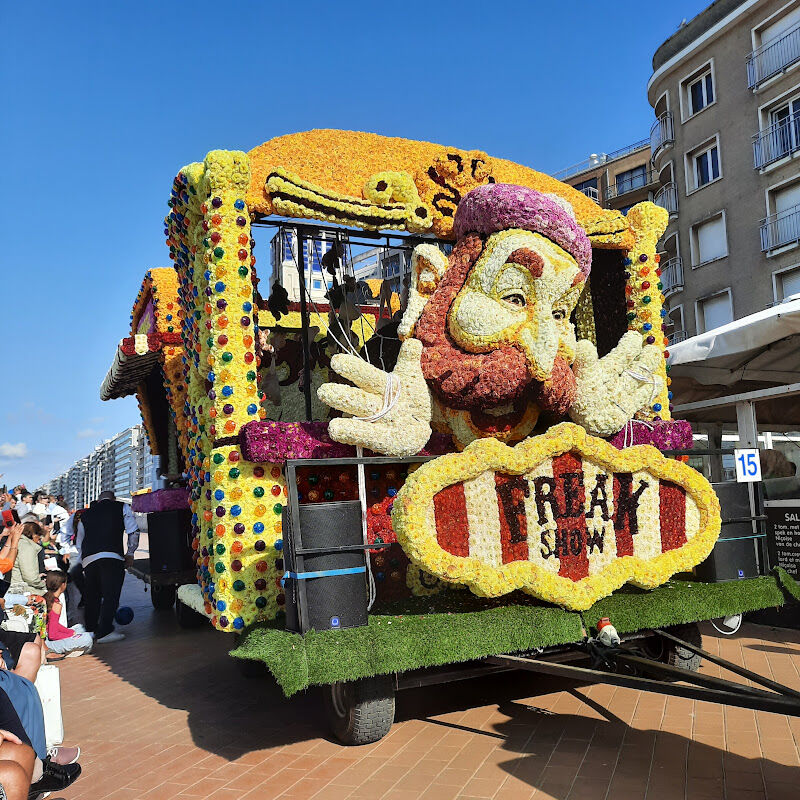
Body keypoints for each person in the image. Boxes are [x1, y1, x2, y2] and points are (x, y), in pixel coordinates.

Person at [75, 490, 139, 644]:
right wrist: (130, 553)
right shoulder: (121, 507)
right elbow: (133, 531)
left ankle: (90, 630)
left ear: (98, 500)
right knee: (111, 595)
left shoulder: (85, 514)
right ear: (113, 499)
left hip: (89, 560)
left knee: (92, 596)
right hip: (112, 557)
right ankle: (104, 631)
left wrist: (83, 559)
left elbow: (79, 541)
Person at [42, 572, 91, 658]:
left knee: (79, 627)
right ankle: (69, 650)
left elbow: (54, 625)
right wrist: (70, 635)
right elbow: (52, 634)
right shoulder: (56, 604)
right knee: (87, 638)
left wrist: (71, 632)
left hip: (47, 638)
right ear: (63, 585)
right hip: (48, 644)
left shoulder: (46, 597)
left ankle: (71, 647)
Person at [6, 524, 44, 597]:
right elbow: (30, 577)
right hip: (21, 590)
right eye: (39, 538)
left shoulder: (14, 542)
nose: (39, 542)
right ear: (34, 535)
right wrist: (43, 584)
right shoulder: (27, 547)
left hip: (11, 586)